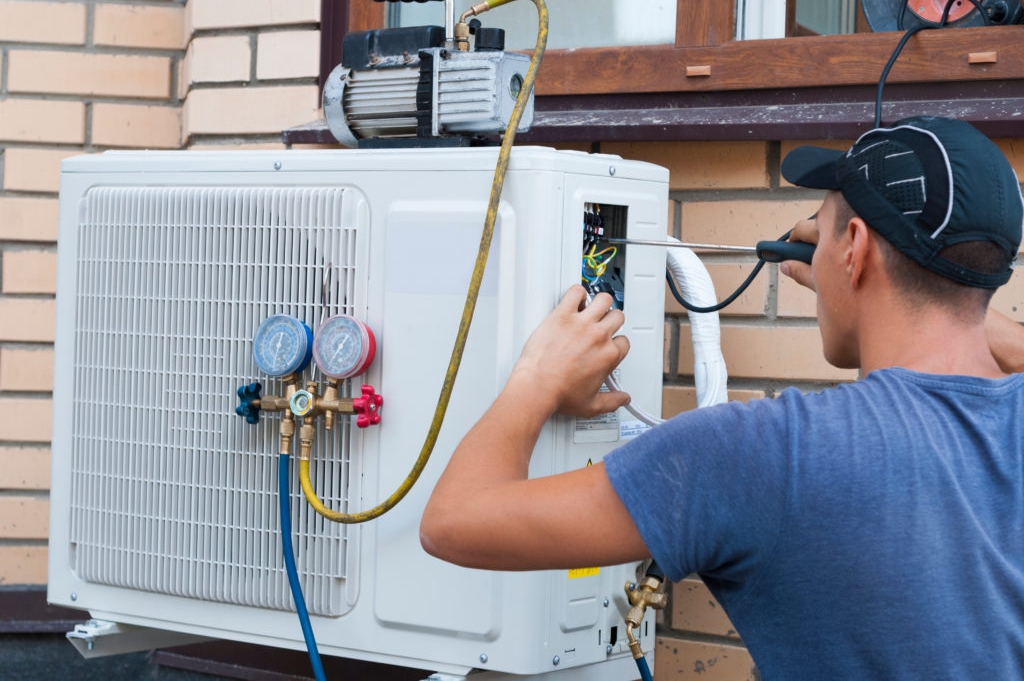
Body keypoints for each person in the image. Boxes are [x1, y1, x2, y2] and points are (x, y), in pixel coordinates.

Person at [420, 116, 1024, 678]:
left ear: (855, 246)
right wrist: (913, 287)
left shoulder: (763, 453)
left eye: (825, 226)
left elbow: (453, 522)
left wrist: (538, 377)